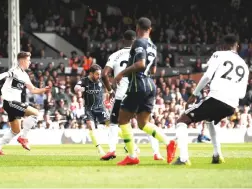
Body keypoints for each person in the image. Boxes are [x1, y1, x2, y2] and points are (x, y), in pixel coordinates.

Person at [173, 34, 249, 165]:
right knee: (210, 120)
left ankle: (184, 158)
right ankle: (217, 155)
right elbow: (242, 94)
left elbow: (207, 76)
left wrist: (194, 94)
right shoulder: (244, 65)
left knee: (182, 121)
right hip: (232, 105)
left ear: (224, 45)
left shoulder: (219, 54)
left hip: (217, 97)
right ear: (237, 46)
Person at [114, 17, 177, 166]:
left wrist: (122, 73)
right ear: (151, 29)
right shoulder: (153, 46)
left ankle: (132, 156)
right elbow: (153, 69)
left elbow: (141, 64)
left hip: (138, 83)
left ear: (137, 28)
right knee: (143, 123)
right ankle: (168, 143)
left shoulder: (138, 42)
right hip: (150, 84)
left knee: (122, 119)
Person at [101, 30, 163, 161]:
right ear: (135, 40)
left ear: (123, 40)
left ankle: (113, 151)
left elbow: (104, 74)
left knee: (114, 123)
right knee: (146, 123)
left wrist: (110, 90)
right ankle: (157, 153)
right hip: (141, 89)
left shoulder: (116, 55)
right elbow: (152, 70)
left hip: (122, 94)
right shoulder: (143, 51)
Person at [0, 51, 50, 155]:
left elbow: (33, 89)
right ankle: (24, 137)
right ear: (22, 60)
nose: (30, 62)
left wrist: (44, 89)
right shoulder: (14, 71)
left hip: (13, 104)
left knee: (15, 130)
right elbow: (4, 75)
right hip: (10, 102)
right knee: (36, 113)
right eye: (28, 60)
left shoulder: (24, 75)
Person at [74, 64, 109, 155]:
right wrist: (81, 89)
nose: (99, 76)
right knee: (91, 126)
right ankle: (99, 149)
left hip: (100, 108)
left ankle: (128, 144)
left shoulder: (101, 80)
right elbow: (76, 87)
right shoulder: (84, 81)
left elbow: (108, 90)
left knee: (111, 126)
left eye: (100, 74)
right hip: (89, 109)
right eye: (97, 74)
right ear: (91, 73)